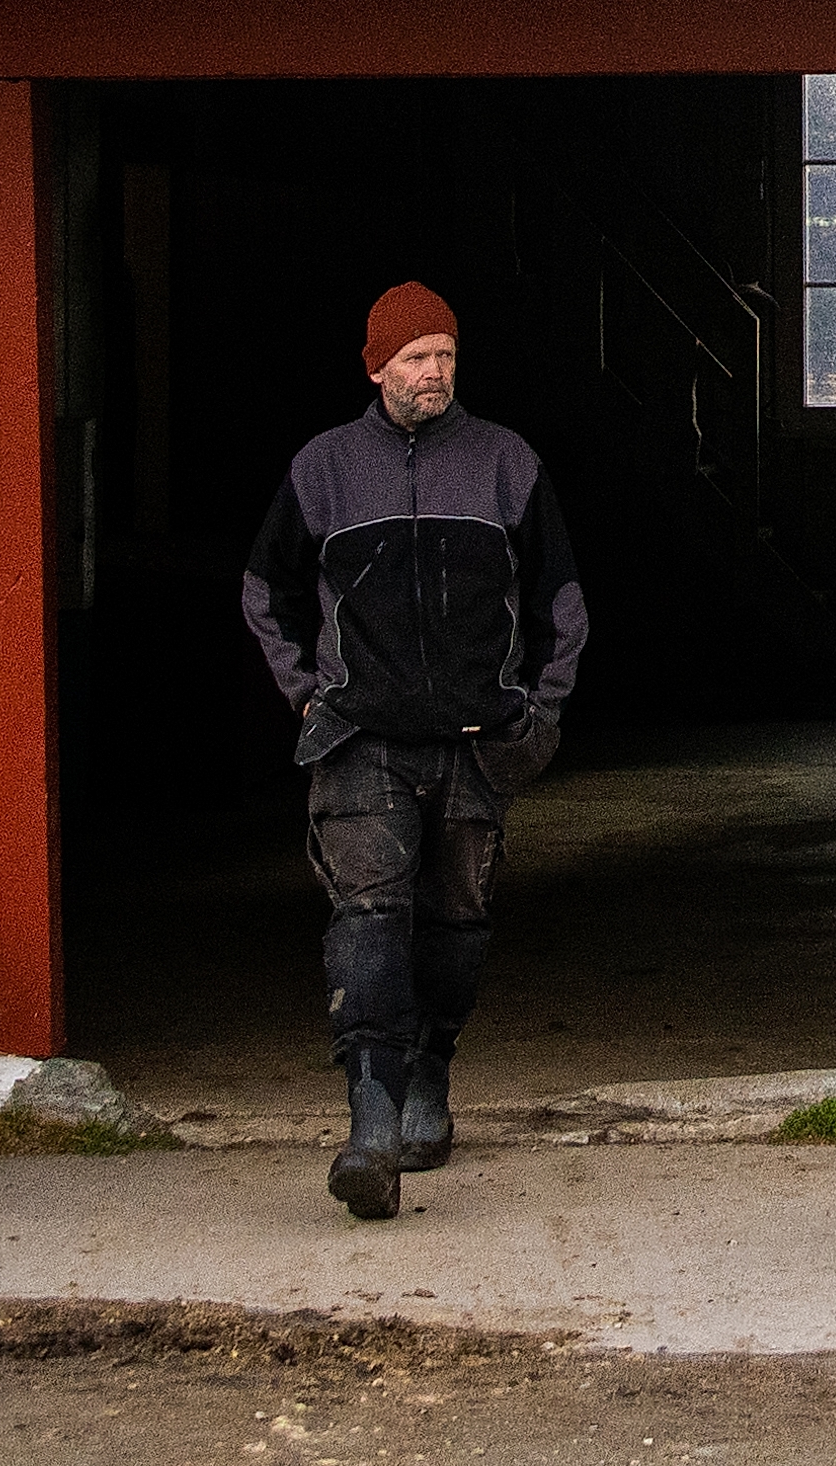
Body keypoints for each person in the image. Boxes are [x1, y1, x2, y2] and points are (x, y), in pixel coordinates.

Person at [238, 282, 585, 1220]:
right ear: (376, 366)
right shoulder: (325, 468)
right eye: (417, 357)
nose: (435, 372)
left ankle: (432, 1071)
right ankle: (372, 1120)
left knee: (458, 923)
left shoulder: (506, 462)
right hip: (363, 741)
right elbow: (264, 590)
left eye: (446, 355)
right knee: (368, 917)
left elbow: (561, 600)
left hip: (477, 742)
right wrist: (307, 693)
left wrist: (535, 710)